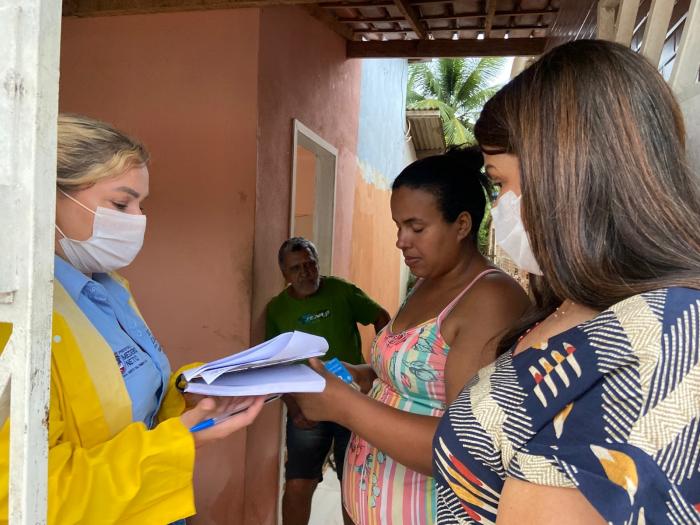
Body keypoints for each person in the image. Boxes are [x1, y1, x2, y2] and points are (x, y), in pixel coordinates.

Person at [432, 40, 700, 525]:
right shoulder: (574, 304)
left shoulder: (662, 342)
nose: (501, 206)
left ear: (568, 176)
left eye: (501, 183)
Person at [0, 114, 265, 524]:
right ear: (45, 195)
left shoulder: (110, 289)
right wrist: (179, 443)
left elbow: (137, 403)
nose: (138, 219)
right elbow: (21, 496)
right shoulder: (15, 319)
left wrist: (193, 391)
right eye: (122, 204)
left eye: (142, 204)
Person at [292, 148, 531, 525]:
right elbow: (412, 378)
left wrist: (343, 405)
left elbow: (465, 446)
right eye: (398, 226)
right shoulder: (427, 281)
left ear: (462, 225)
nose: (401, 241)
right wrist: (362, 375)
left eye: (416, 228)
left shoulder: (490, 299)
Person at [266, 237, 391, 525]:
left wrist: (382, 367)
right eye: (296, 268)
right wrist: (293, 407)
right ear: (284, 274)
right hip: (308, 407)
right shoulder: (277, 310)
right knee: (298, 484)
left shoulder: (341, 291)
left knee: (353, 484)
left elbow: (380, 316)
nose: (305, 272)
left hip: (353, 401)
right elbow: (274, 365)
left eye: (310, 264)